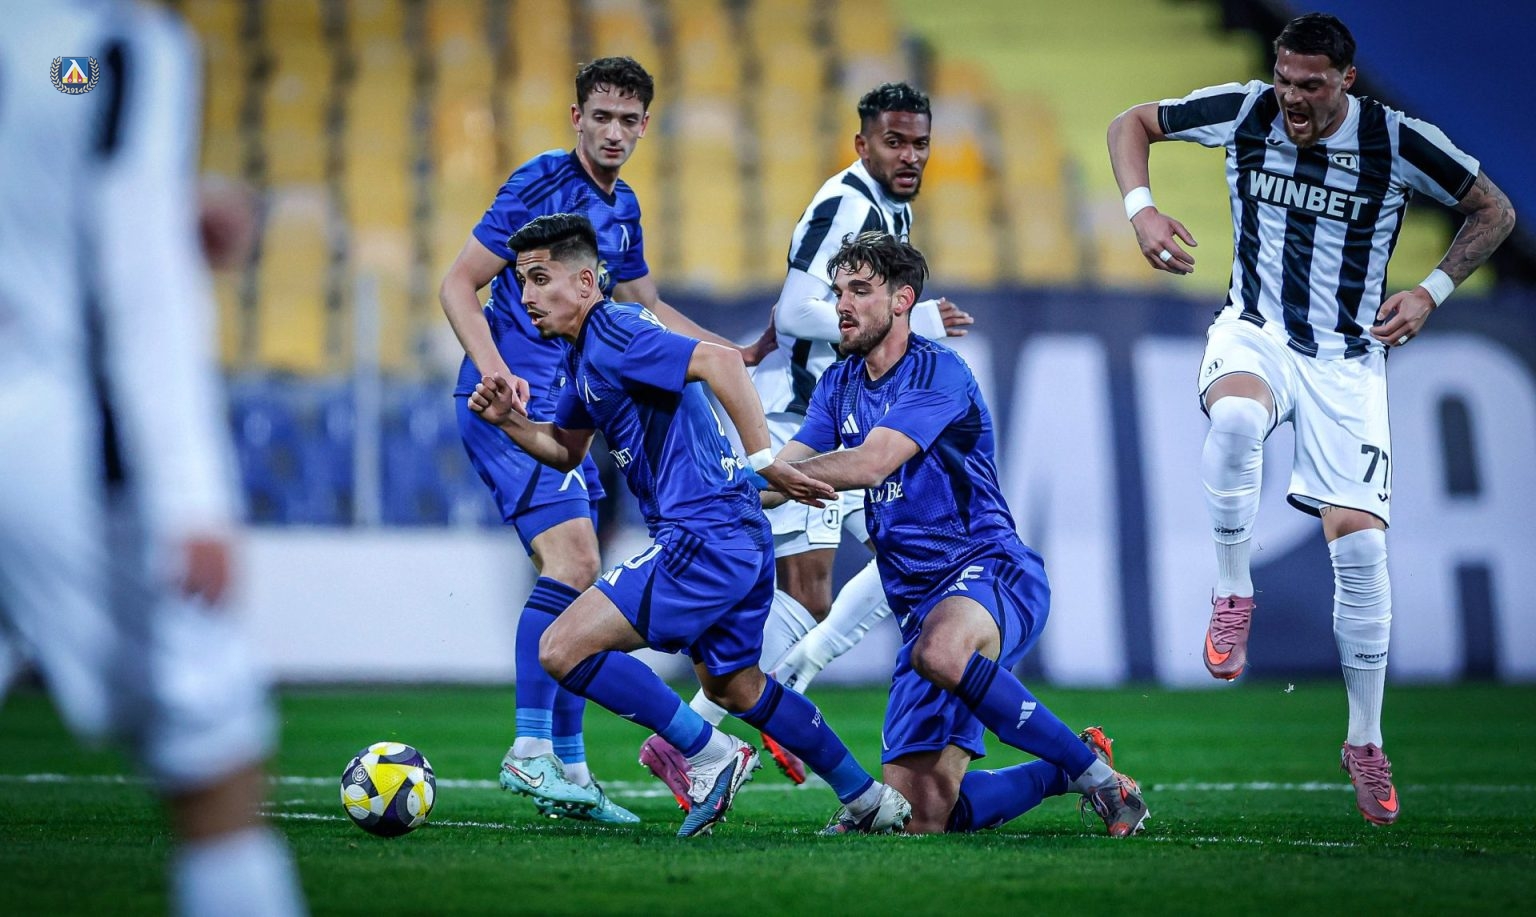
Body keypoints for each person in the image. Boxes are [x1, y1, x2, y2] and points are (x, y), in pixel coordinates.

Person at [1106, 12, 1515, 825]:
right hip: (1254, 328)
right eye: (1285, 79)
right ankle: (1234, 592)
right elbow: (1132, 123)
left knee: (1360, 549)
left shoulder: (1397, 140)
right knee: (1234, 422)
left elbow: (1494, 211)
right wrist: (1142, 210)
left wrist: (1430, 291)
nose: (1293, 98)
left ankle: (1364, 740)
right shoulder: (1246, 109)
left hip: (1347, 360)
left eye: (1311, 85)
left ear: (1346, 81)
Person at [0, 3, 306, 914]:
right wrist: (192, 499)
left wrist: (165, 203)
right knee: (214, 748)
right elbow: (143, 287)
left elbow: (47, 143)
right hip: (55, 444)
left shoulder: (52, 52)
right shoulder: (119, 47)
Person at [467, 213, 912, 838]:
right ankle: (866, 799)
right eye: (520, 282)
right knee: (738, 687)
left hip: (700, 534)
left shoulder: (615, 331)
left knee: (561, 648)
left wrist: (763, 459)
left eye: (540, 278)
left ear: (587, 282)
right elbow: (565, 449)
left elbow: (722, 363)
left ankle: (709, 754)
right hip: (734, 533)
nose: (526, 295)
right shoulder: (584, 354)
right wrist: (510, 422)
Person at [439, 56, 767, 824]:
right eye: (601, 117)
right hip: (510, 404)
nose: (614, 132)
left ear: (645, 125)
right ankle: (531, 748)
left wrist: (736, 351)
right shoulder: (539, 182)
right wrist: (496, 371)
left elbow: (648, 305)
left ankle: (573, 769)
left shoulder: (625, 211)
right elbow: (458, 283)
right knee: (576, 562)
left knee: (580, 579)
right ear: (577, 118)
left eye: (628, 120)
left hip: (570, 412)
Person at [640, 81, 974, 797]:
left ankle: (756, 696)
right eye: (894, 141)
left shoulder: (891, 208)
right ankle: (695, 729)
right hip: (803, 419)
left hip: (841, 417)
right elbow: (795, 309)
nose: (910, 155)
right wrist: (917, 323)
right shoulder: (847, 203)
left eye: (920, 143)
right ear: (862, 143)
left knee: (891, 563)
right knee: (825, 583)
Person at [768, 231, 1149, 836]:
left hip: (989, 569)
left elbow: (870, 464)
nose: (841, 305)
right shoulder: (839, 384)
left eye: (860, 291)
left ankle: (1102, 783)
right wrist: (732, 490)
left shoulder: (937, 371)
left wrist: (776, 478)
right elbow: (784, 468)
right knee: (920, 817)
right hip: (916, 603)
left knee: (942, 653)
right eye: (838, 292)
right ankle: (1063, 768)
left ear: (902, 301)